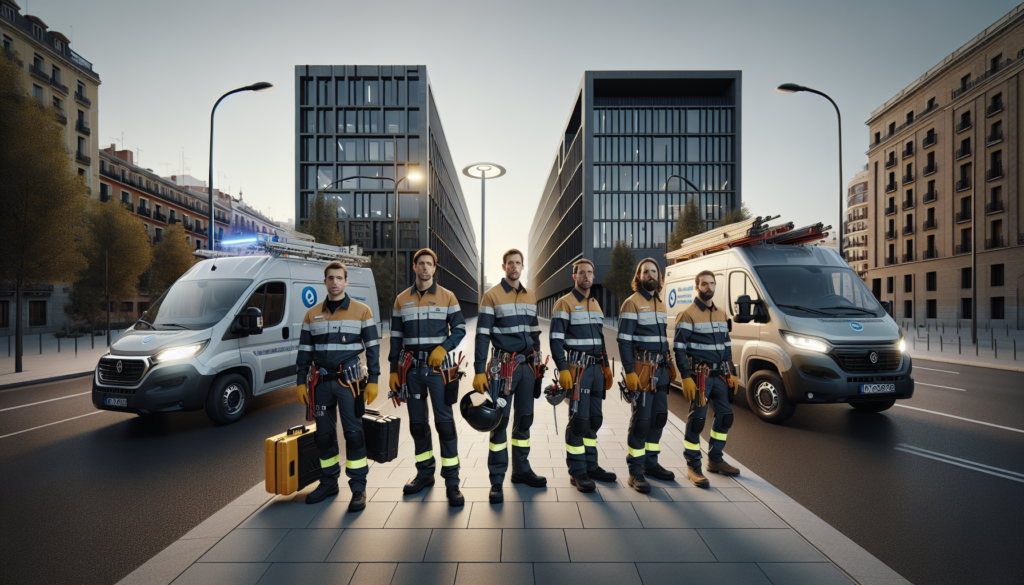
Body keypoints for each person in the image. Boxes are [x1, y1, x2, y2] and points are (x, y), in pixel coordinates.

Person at [296, 261, 380, 511]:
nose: (334, 282)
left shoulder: (362, 311)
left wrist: (374, 380)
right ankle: (329, 482)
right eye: (330, 278)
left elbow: (373, 350)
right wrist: (301, 381)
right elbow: (304, 352)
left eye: (339, 278)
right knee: (323, 436)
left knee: (354, 436)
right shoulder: (312, 314)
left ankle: (358, 489)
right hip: (320, 384)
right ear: (324, 282)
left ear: (346, 281)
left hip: (349, 384)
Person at [389, 248, 467, 507]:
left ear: (435, 268)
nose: (425, 267)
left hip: (438, 372)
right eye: (420, 263)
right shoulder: (401, 300)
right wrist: (392, 371)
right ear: (414, 267)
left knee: (445, 424)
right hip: (411, 372)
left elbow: (459, 328)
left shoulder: (447, 296)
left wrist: (443, 347)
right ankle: (424, 475)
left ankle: (452, 481)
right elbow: (397, 338)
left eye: (429, 264)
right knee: (418, 425)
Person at [473, 248, 547, 503]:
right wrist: (478, 370)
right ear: (503, 266)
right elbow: (482, 335)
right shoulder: (491, 296)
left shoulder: (530, 296)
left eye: (518, 263)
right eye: (510, 263)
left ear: (522, 267)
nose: (514, 267)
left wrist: (537, 366)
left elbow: (536, 335)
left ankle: (522, 470)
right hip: (502, 369)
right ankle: (496, 480)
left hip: (526, 368)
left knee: (524, 419)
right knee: (499, 422)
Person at [549, 258, 616, 492]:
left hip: (597, 370)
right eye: (581, 272)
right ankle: (577, 471)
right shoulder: (564, 303)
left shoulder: (596, 304)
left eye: (590, 272)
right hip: (578, 371)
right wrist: (563, 369)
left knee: (594, 421)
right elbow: (555, 341)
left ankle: (591, 465)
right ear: (574, 276)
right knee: (579, 422)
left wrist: (606, 365)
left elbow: (600, 339)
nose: (586, 276)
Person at [673, 269, 739, 488]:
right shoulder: (687, 314)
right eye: (704, 284)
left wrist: (732, 373)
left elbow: (727, 346)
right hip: (700, 377)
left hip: (720, 375)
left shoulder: (721, 314)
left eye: (711, 283)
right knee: (697, 421)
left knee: (726, 416)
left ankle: (715, 459)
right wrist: (685, 377)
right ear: (696, 286)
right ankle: (693, 465)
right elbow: (679, 349)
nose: (708, 287)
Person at [618, 258, 677, 493]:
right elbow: (623, 341)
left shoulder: (660, 303)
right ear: (638, 276)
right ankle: (635, 470)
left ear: (658, 276)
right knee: (641, 420)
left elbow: (663, 338)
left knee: (659, 418)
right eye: (645, 272)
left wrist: (670, 361)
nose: (650, 275)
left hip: (661, 370)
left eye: (654, 271)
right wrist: (630, 372)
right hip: (642, 372)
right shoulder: (631, 303)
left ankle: (650, 463)